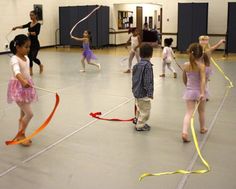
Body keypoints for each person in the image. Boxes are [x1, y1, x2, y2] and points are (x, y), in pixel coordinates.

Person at [8, 34, 38, 146]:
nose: (28, 49)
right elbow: (17, 72)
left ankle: (21, 133)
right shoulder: (14, 59)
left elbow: (26, 72)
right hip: (18, 88)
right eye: (26, 47)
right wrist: (22, 80)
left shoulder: (27, 58)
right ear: (18, 47)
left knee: (23, 114)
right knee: (29, 114)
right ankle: (21, 135)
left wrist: (28, 81)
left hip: (27, 88)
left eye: (29, 47)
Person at [182, 43, 208, 142]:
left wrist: (188, 87)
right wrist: (202, 93)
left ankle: (184, 131)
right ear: (201, 54)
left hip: (189, 91)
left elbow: (184, 78)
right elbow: (202, 80)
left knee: (189, 113)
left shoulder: (186, 65)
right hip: (199, 92)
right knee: (201, 111)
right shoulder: (202, 66)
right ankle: (202, 128)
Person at [12, 10, 43, 76]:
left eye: (32, 15)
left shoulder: (38, 24)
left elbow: (37, 33)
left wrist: (30, 33)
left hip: (35, 44)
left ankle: (40, 65)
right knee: (29, 57)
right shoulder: (29, 23)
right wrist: (16, 27)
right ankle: (30, 71)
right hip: (29, 43)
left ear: (35, 16)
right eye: (30, 15)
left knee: (33, 57)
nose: (30, 16)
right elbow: (23, 26)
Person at [132, 44, 154, 131]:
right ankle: (140, 125)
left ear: (140, 54)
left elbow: (134, 79)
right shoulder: (148, 66)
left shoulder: (136, 65)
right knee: (145, 110)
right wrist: (150, 93)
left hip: (136, 91)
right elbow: (148, 81)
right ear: (151, 54)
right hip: (143, 93)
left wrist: (134, 89)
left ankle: (137, 119)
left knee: (139, 107)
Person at [199, 36, 225, 101]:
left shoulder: (203, 50)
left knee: (202, 82)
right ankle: (205, 95)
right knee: (205, 82)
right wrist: (220, 42)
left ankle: (203, 94)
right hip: (206, 68)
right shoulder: (208, 50)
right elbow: (216, 46)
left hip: (202, 68)